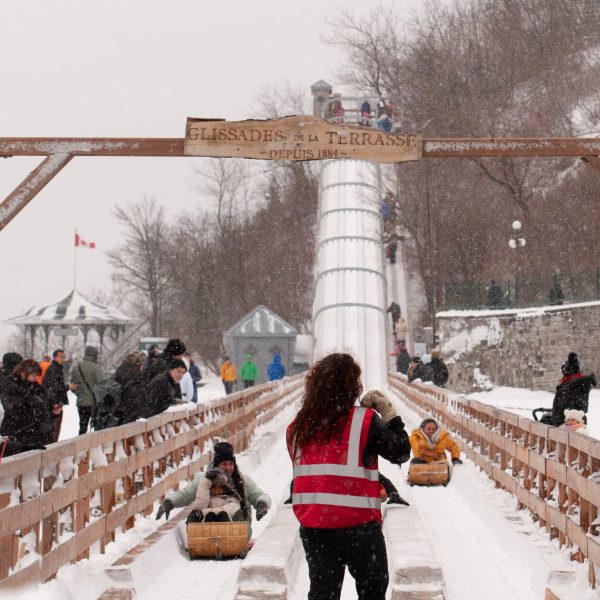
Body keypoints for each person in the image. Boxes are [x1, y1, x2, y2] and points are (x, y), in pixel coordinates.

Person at [287, 353, 411, 600]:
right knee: (372, 592)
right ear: (352, 386)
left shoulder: (297, 427)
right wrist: (390, 417)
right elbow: (400, 453)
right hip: (359, 528)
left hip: (316, 528)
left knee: (323, 593)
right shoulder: (364, 420)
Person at [157, 441, 271, 533]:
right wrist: (169, 503)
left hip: (239, 527)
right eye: (224, 464)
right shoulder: (205, 480)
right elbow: (186, 494)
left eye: (231, 464)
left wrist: (261, 504)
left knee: (232, 520)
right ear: (217, 465)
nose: (228, 468)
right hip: (209, 526)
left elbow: (259, 495)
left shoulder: (241, 481)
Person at [0, 360, 52, 454]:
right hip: (16, 432)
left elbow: (43, 402)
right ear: (24, 372)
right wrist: (32, 403)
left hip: (31, 433)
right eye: (34, 375)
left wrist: (51, 408)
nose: (36, 378)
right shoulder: (10, 385)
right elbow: (12, 407)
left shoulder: (33, 386)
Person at [551, 352, 596, 427]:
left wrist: (559, 422)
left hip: (568, 426)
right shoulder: (580, 385)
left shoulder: (569, 387)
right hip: (578, 425)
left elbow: (564, 409)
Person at [70, 346, 105, 435]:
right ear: (94, 355)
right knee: (97, 428)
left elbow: (73, 386)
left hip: (82, 402)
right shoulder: (96, 368)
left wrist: (81, 394)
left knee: (82, 427)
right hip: (94, 403)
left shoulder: (77, 367)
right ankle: (94, 446)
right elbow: (103, 386)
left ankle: (81, 446)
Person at [42, 349, 75, 442]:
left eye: (64, 357)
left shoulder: (57, 368)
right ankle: (51, 449)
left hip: (54, 403)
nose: (63, 359)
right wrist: (55, 403)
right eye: (60, 357)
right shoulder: (54, 369)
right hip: (54, 404)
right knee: (54, 430)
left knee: (54, 429)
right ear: (55, 357)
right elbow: (54, 388)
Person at [110, 350, 148, 425]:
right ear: (139, 364)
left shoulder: (118, 374)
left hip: (114, 422)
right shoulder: (135, 379)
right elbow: (137, 407)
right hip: (128, 425)